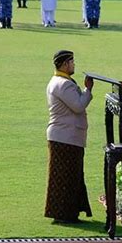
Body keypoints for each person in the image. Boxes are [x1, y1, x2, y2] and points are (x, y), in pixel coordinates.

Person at [45, 50, 94, 224]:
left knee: (69, 176)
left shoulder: (59, 81)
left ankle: (66, 213)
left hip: (64, 135)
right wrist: (88, 89)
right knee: (67, 176)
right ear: (65, 64)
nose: (74, 65)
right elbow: (78, 106)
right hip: (66, 136)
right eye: (72, 62)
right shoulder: (63, 84)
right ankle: (65, 214)